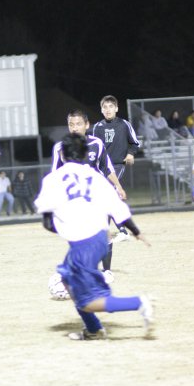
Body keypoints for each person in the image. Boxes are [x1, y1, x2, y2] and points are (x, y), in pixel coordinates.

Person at [34, 133, 155, 341]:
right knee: (68, 281)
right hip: (100, 239)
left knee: (87, 302)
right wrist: (136, 232)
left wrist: (65, 225)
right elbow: (119, 210)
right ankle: (93, 330)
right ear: (85, 154)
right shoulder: (96, 177)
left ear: (62, 154)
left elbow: (47, 222)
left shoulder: (53, 180)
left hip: (83, 245)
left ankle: (139, 303)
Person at [52, 109, 126, 278]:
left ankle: (107, 271)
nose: (75, 128)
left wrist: (118, 187)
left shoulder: (97, 144)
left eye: (78, 124)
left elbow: (107, 168)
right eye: (71, 124)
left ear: (86, 125)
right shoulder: (60, 148)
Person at [92, 95, 140, 241]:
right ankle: (105, 230)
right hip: (102, 168)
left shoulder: (124, 124)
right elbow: (94, 148)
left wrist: (131, 154)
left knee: (108, 194)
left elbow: (134, 143)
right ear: (101, 110)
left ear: (116, 108)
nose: (108, 109)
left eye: (111, 106)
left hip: (117, 165)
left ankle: (122, 231)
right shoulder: (97, 127)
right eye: (105, 107)